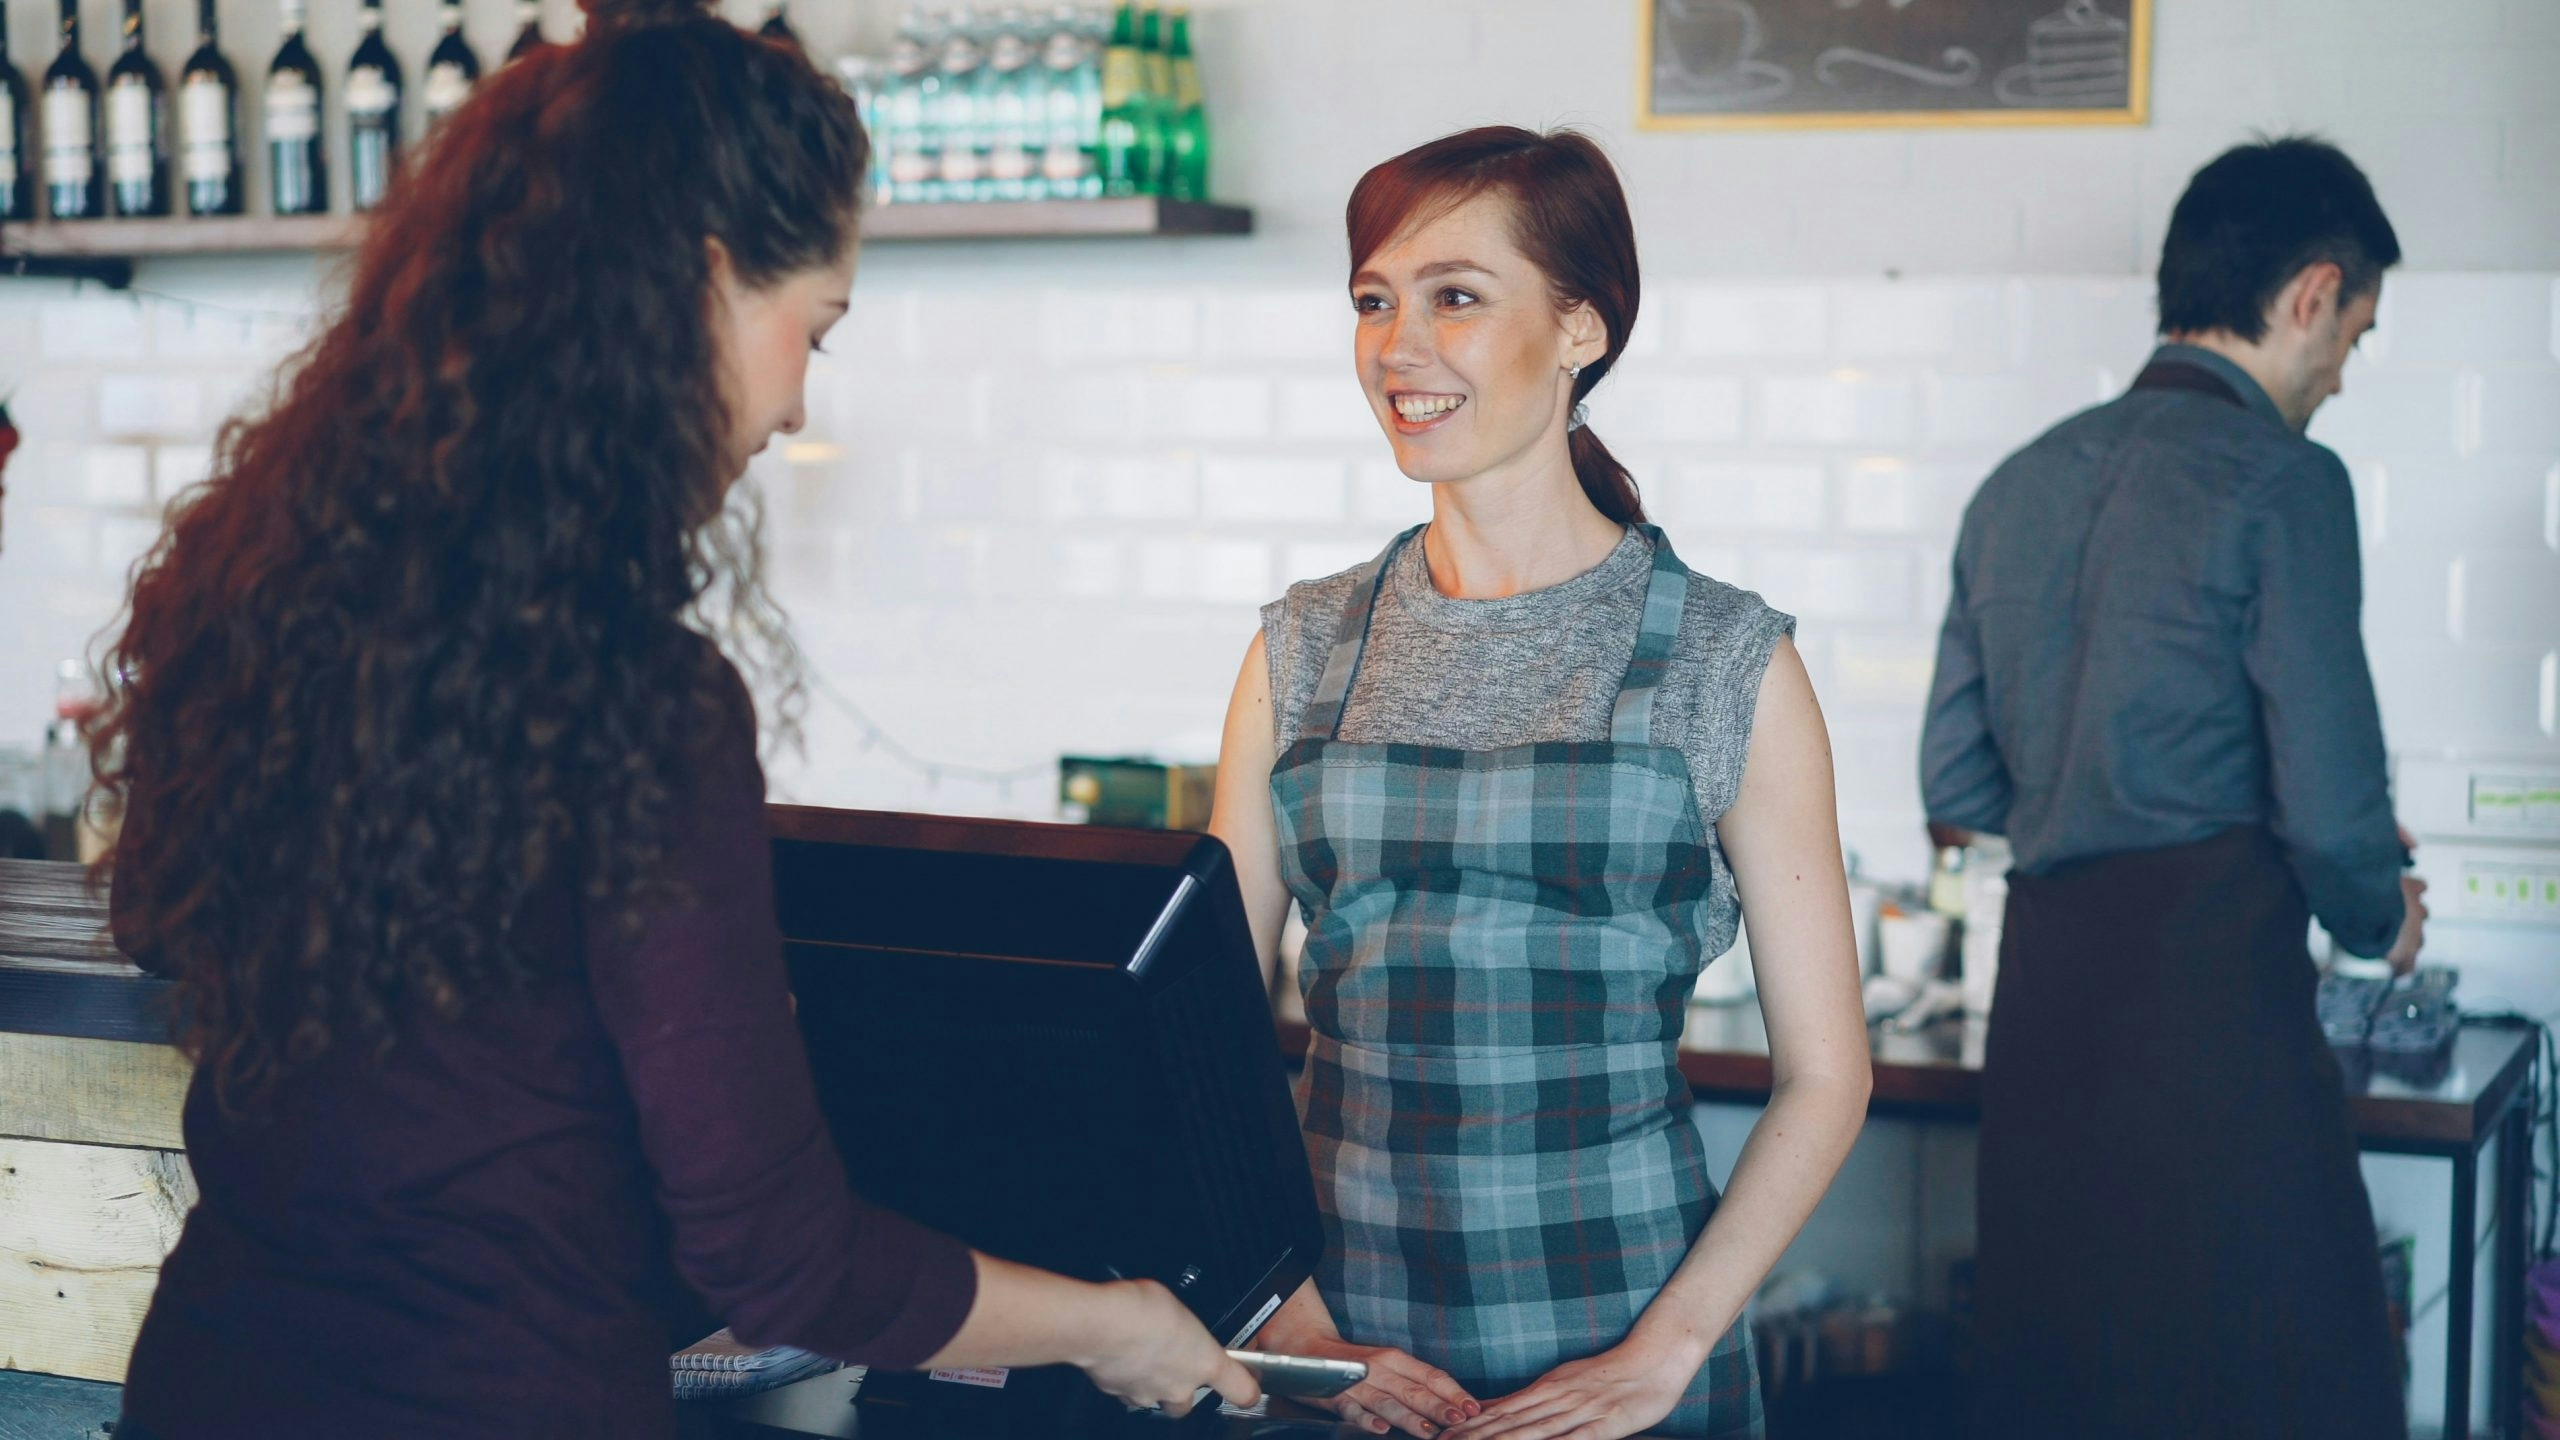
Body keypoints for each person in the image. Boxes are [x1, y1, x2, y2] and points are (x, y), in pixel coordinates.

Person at [90, 2, 1255, 1435]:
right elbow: (777, 1256)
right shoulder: (637, 701)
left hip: (216, 1378)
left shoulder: (259, 602)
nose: (794, 400)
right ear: (702, 285)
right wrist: (1109, 1324)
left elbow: (162, 926)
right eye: (811, 329)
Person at [1209, 127, 1871, 1440]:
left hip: (1613, 1360)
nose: (1399, 345)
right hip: (1336, 1365)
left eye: (1456, 296)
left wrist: (1668, 1351)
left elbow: (1825, 1073)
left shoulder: (1727, 658)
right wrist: (1279, 1315)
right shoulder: (1301, 647)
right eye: (1374, 300)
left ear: (1581, 327)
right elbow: (1197, 1041)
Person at [1919, 135, 2422, 1440]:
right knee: (2278, 1385)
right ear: (2311, 293)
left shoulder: (2013, 484)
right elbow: (2333, 812)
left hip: (2043, 1030)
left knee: (2067, 1385)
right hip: (2212, 1033)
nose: (2342, 379)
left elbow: (1958, 780)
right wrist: (2379, 916)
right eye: (2355, 339)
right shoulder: (2285, 481)